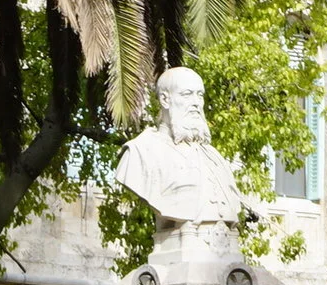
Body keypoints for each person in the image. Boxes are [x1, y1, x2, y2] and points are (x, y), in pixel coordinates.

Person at [114, 68, 274, 246]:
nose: (196, 103)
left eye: (200, 95)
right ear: (165, 99)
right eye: (187, 94)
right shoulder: (142, 151)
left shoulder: (214, 157)